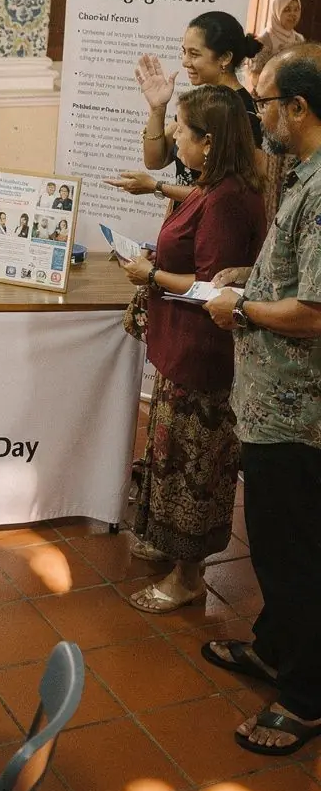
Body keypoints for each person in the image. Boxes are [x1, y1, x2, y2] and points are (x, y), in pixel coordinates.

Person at [204, 46, 321, 756]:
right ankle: (275, 649)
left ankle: (305, 699)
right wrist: (252, 275)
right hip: (271, 401)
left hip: (296, 413)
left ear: (298, 108)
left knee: (292, 553)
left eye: (265, 104)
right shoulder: (302, 174)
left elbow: (313, 312)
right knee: (277, 547)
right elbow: (298, 275)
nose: (258, 117)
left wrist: (241, 307)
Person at [117, 85, 266, 614]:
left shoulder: (227, 200)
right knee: (170, 457)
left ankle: (189, 576)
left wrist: (151, 274)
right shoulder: (212, 185)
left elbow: (211, 287)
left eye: (181, 128)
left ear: (209, 142)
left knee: (194, 469)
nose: (174, 137)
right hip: (181, 347)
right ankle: (169, 545)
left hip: (203, 355)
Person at [112, 12, 263, 207]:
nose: (184, 61)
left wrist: (157, 187)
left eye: (194, 54)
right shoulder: (199, 101)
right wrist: (157, 109)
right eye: (184, 52)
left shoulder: (243, 112)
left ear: (225, 58)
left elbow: (230, 193)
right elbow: (154, 160)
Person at [248, 0, 304, 225]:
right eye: (287, 10)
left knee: (289, 168)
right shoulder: (264, 41)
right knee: (271, 169)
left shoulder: (299, 40)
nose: (292, 14)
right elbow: (255, 78)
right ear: (276, 12)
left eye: (296, 9)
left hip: (292, 113)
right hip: (269, 111)